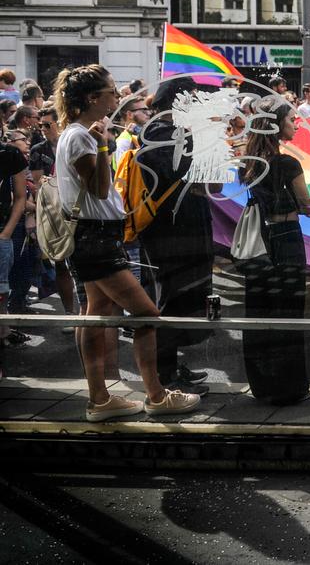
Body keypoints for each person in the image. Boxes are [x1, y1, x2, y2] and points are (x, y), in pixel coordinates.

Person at [52, 64, 200, 421]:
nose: (117, 98)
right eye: (110, 92)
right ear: (91, 98)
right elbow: (100, 188)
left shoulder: (79, 134)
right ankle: (155, 395)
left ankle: (100, 400)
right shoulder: (81, 137)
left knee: (95, 315)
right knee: (147, 313)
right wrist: (103, 145)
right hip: (95, 239)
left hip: (97, 236)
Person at [137, 77, 217, 394]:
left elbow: (207, 182)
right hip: (170, 234)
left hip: (182, 230)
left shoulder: (172, 134)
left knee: (179, 298)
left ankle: (170, 366)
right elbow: (202, 177)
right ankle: (166, 376)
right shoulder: (162, 137)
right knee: (169, 300)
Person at [238, 97, 310, 405]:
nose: (294, 124)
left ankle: (262, 384)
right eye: (290, 120)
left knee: (259, 310)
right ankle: (290, 386)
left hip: (260, 240)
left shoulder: (250, 161)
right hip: (285, 238)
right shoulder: (287, 163)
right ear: (276, 125)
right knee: (287, 311)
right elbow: (305, 205)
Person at [28, 103, 76, 322]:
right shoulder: (38, 150)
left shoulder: (74, 143)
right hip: (53, 212)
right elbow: (39, 184)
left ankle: (87, 310)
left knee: (83, 263)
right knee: (60, 263)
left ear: (60, 123)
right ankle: (69, 313)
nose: (43, 129)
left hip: (78, 209)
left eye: (47, 125)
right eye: (40, 125)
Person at [0, 131, 29, 348]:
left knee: (1, 292)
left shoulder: (9, 154)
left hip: (1, 234)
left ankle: (3, 334)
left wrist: (6, 232)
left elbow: (21, 197)